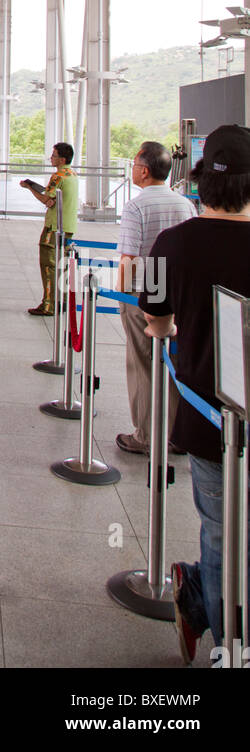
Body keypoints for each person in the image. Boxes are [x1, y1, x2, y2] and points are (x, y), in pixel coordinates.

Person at [139, 125, 250, 664]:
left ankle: (221, 632)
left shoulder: (171, 245)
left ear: (199, 184)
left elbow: (155, 319)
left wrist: (169, 331)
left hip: (209, 418)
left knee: (221, 526)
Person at [114, 141, 196, 457]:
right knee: (173, 363)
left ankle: (146, 435)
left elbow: (130, 257)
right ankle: (177, 434)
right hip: (175, 292)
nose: (133, 170)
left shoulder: (136, 206)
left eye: (134, 165)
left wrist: (120, 293)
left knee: (141, 361)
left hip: (144, 291)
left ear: (144, 171)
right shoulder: (185, 205)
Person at [22, 142, 78, 316]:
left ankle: (48, 304)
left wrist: (29, 187)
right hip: (68, 227)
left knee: (48, 265)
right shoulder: (72, 174)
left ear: (61, 159)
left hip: (54, 227)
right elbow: (52, 197)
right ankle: (61, 302)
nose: (51, 158)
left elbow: (47, 200)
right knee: (62, 266)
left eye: (53, 155)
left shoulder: (58, 176)